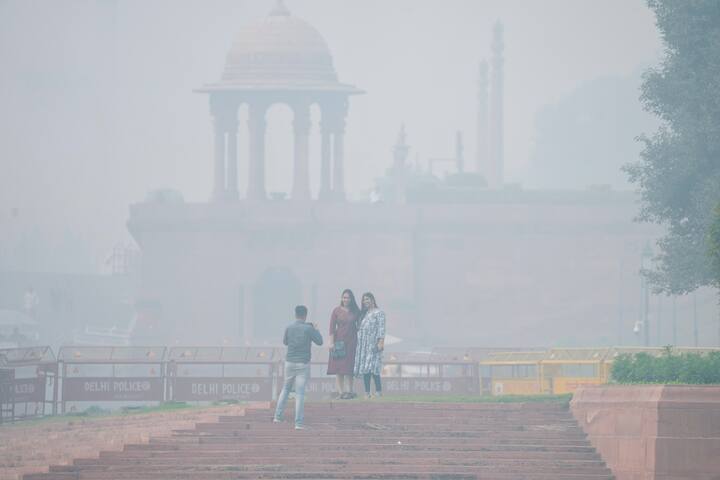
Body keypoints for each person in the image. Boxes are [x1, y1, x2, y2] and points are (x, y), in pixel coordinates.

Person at [273, 305, 323, 430]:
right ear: (305, 315)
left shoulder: (289, 328)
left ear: (295, 314)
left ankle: (277, 417)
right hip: (302, 363)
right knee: (299, 393)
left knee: (285, 389)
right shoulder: (308, 329)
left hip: (289, 362)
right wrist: (316, 329)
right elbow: (320, 341)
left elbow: (285, 342)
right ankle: (298, 423)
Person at [327, 289, 360, 399]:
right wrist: (331, 343)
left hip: (352, 342)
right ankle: (341, 392)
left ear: (351, 299)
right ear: (341, 298)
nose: (346, 299)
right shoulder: (336, 311)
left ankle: (349, 391)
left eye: (348, 297)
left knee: (349, 368)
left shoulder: (355, 311)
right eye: (344, 297)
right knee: (339, 368)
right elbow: (331, 328)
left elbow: (360, 325)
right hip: (339, 342)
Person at [354, 292, 386, 398]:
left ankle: (378, 391)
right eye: (364, 300)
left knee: (374, 368)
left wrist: (381, 341)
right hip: (363, 345)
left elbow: (382, 328)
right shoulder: (365, 313)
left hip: (373, 344)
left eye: (367, 299)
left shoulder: (379, 312)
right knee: (365, 369)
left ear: (372, 299)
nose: (365, 301)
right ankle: (367, 392)